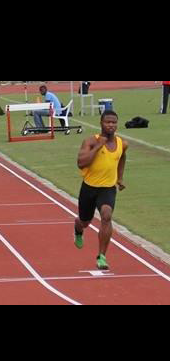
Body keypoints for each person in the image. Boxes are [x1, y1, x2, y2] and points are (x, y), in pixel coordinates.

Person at [74, 110, 128, 271]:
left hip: (108, 188)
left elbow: (122, 157)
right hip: (89, 188)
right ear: (101, 123)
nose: (111, 125)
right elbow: (81, 163)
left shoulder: (122, 144)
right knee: (85, 221)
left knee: (106, 215)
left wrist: (120, 178)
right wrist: (99, 146)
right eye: (107, 122)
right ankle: (78, 229)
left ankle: (101, 256)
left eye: (114, 122)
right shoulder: (91, 141)